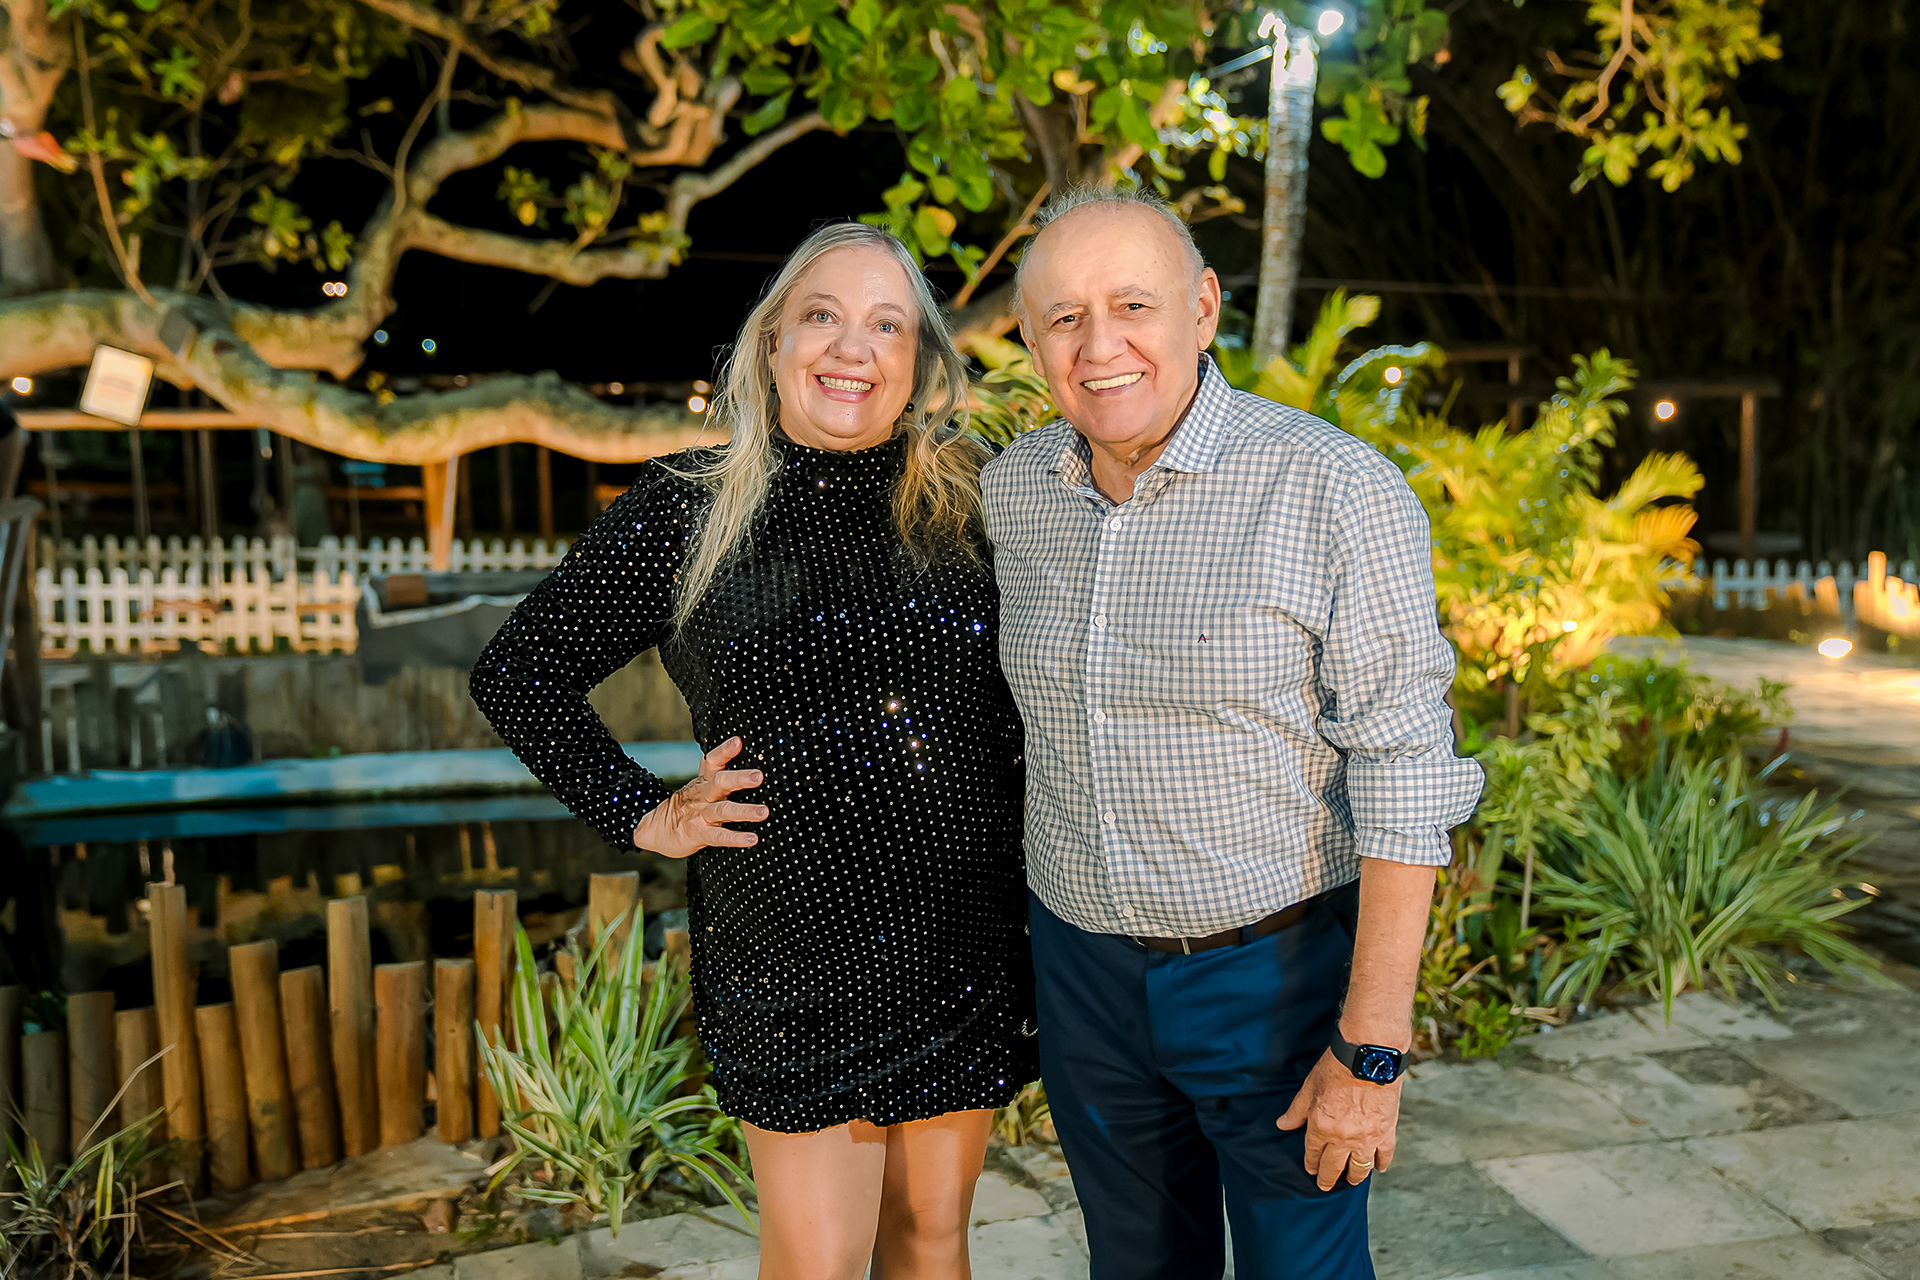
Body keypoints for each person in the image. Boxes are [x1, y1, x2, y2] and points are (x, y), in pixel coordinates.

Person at [470, 222, 1035, 1280]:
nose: (852, 347)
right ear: (771, 343)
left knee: (930, 1241)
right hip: (788, 951)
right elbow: (519, 672)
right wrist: (643, 810)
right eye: (822, 315)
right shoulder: (687, 509)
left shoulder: (979, 497)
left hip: (960, 937)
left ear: (920, 360)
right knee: (817, 1261)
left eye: (887, 325)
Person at [980, 186, 1485, 1279]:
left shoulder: (1333, 487)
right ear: (1028, 339)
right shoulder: (1013, 494)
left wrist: (1372, 1045)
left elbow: (1407, 774)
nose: (1100, 346)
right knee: (1134, 1267)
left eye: (1133, 305)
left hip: (1277, 982)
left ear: (1203, 308)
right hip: (1083, 977)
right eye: (1064, 317)